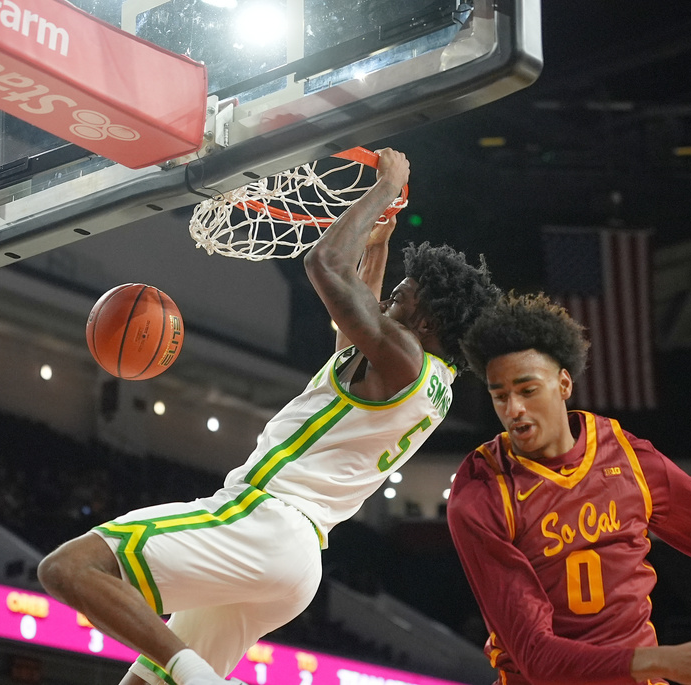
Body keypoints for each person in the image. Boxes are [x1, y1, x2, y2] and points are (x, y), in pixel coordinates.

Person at [38, 149, 497, 685]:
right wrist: (379, 242)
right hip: (291, 560)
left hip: (263, 521)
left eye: (408, 288)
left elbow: (323, 264)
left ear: (431, 315)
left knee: (69, 568)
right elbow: (355, 324)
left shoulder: (405, 356)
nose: (399, 286)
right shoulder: (427, 381)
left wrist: (384, 186)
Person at [447, 291, 691, 685]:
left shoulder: (629, 459)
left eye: (527, 390)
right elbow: (537, 658)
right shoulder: (481, 492)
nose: (513, 409)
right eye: (500, 396)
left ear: (563, 384)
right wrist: (662, 662)